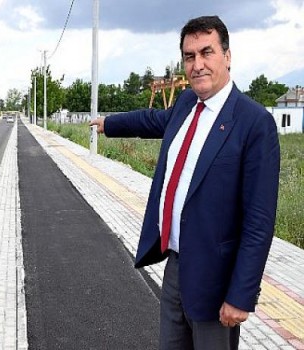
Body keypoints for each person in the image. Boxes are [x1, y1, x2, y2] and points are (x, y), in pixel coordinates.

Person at [90, 15, 279, 350]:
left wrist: (241, 295)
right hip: (176, 269)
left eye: (207, 52)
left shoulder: (254, 123)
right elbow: (152, 119)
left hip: (216, 280)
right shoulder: (186, 104)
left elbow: (259, 222)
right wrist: (110, 123)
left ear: (228, 56)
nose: (198, 65)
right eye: (190, 56)